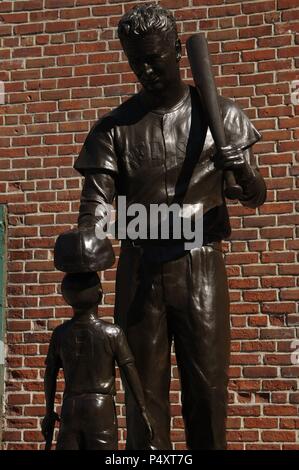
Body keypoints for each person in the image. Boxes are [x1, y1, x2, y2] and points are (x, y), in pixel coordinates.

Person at [54, 3, 266, 450]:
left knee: (206, 390)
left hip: (200, 264)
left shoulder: (221, 118)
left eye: (155, 57)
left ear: (175, 49)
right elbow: (94, 203)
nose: (147, 70)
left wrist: (243, 172)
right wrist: (87, 240)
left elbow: (253, 195)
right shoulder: (115, 130)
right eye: (137, 61)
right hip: (141, 268)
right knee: (143, 398)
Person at [42, 272, 153, 450]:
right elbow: (129, 371)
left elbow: (50, 375)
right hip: (101, 410)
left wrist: (48, 412)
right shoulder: (112, 333)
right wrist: (142, 410)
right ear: (100, 295)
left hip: (71, 406)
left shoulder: (60, 334)